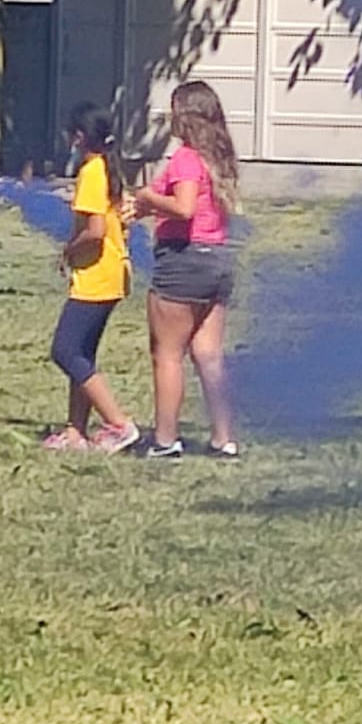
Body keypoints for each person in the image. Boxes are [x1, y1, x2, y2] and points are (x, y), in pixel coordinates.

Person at [132, 79, 239, 460]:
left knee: (167, 353)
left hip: (183, 260)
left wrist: (147, 197)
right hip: (217, 258)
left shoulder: (186, 159)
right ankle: (224, 438)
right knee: (209, 354)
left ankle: (165, 440)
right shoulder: (218, 159)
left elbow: (184, 207)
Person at [43, 106, 139, 453]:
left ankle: (119, 424)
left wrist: (68, 250)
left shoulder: (92, 172)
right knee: (82, 353)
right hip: (111, 272)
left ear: (79, 137)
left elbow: (95, 231)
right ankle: (75, 430)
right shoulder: (107, 168)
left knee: (65, 350)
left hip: (97, 275)